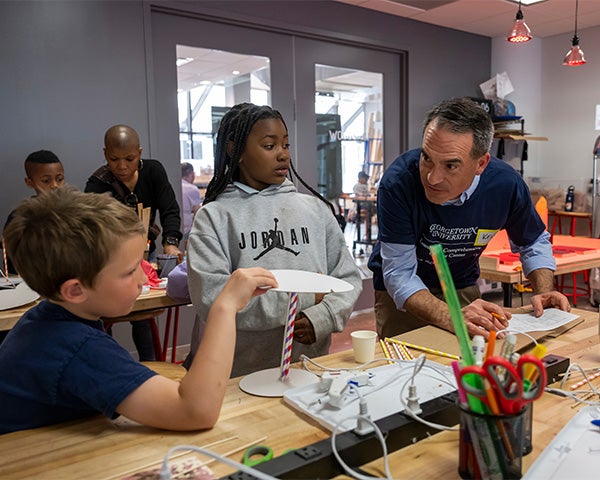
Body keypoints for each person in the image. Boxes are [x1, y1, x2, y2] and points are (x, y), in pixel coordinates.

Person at [0, 187, 278, 434]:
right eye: (131, 270)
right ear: (75, 290)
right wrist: (225, 307)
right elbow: (195, 411)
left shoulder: (46, 321)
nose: (144, 279)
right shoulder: (76, 347)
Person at [181, 102, 362, 377]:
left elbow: (348, 278)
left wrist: (322, 316)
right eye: (269, 146)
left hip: (308, 370)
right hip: (236, 375)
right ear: (235, 150)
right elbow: (212, 298)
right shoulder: (214, 217)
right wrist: (306, 298)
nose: (283, 156)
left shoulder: (315, 210)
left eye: (286, 145)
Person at [368, 97, 570, 340]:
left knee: (471, 363)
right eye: (427, 158)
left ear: (480, 164)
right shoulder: (398, 183)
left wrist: (544, 291)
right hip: (403, 296)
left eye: (451, 166)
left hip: (460, 283)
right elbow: (399, 273)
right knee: (403, 367)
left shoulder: (505, 185)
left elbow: (534, 242)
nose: (432, 178)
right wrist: (449, 316)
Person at [85, 124, 183, 361]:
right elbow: (91, 228)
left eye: (129, 158)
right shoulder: (98, 184)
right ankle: (110, 364)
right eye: (114, 159)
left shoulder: (153, 171)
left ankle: (149, 367)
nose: (121, 166)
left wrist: (170, 242)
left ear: (139, 153)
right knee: (104, 315)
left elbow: (170, 208)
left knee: (144, 316)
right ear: (104, 154)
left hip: (146, 254)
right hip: (112, 260)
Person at [2, 150, 65, 275]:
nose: (55, 185)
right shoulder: (19, 217)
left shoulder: (74, 211)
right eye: (46, 181)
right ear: (29, 182)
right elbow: (14, 263)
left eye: (59, 179)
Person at [180, 162, 202, 249]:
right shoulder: (192, 189)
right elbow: (198, 214)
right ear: (192, 174)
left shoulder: (176, 185)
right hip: (186, 232)